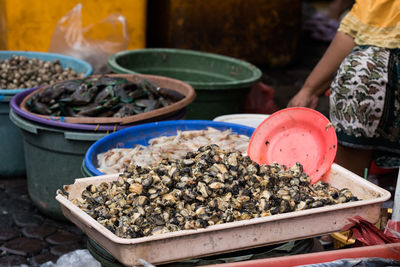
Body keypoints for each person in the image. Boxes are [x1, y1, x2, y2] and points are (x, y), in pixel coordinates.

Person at [288, 0, 400, 177]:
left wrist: (308, 90)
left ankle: (356, 197)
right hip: (370, 75)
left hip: (366, 75)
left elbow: (350, 34)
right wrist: (308, 90)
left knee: (352, 186)